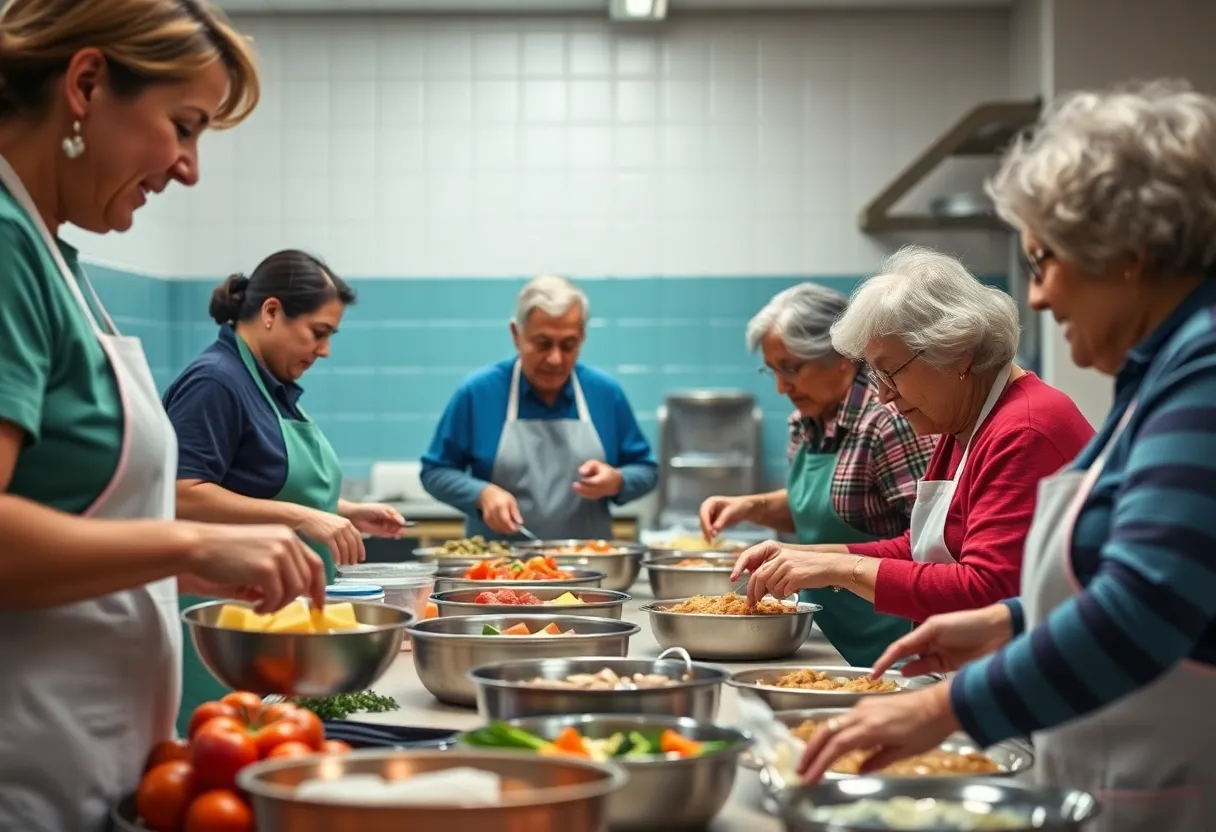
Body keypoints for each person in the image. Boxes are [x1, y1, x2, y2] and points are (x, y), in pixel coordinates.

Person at [795, 79, 1216, 831]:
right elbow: (1146, 579)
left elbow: (1145, 608)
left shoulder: (1204, 378)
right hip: (1116, 770)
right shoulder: (1161, 376)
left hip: (1175, 788)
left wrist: (946, 706)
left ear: (1131, 254)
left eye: (1044, 260)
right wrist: (1013, 623)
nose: (1038, 299)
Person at [0, 2, 326, 830]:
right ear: (86, 83)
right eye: (183, 127)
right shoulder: (5, 250)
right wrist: (191, 539)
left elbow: (75, 522)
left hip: (97, 772)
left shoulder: (54, 259)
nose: (189, 169)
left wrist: (184, 569)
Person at [732, 247, 1094, 645]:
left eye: (891, 372)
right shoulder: (963, 422)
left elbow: (986, 590)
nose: (883, 395)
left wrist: (840, 569)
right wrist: (809, 557)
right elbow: (922, 548)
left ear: (958, 352)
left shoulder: (1024, 430)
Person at [163, 249, 409, 734]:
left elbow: (260, 485)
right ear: (272, 312)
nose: (324, 351)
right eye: (318, 333)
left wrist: (345, 510)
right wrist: (302, 518)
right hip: (227, 636)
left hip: (275, 632)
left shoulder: (268, 385)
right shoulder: (215, 381)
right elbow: (179, 492)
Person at [701, 283, 938, 667]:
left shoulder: (887, 423)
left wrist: (839, 566)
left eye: (791, 369)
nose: (781, 387)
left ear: (841, 355)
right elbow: (823, 511)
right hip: (825, 639)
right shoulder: (805, 422)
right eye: (773, 371)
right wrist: (752, 506)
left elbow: (933, 544)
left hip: (892, 646)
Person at [421, 274, 658, 540]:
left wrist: (618, 481)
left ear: (582, 337)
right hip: (499, 572)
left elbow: (646, 470)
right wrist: (481, 494)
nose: (556, 358)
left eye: (569, 345)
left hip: (587, 570)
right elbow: (435, 471)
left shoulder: (604, 393)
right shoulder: (479, 393)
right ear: (516, 334)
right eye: (543, 344)